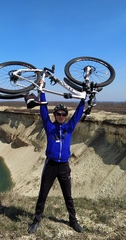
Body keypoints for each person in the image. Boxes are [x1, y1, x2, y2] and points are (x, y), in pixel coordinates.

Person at [27, 90, 85, 234]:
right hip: (51, 165)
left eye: (63, 114)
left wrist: (83, 100)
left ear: (66, 116)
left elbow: (78, 114)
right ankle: (36, 221)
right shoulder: (49, 127)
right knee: (43, 195)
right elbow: (43, 110)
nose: (61, 116)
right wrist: (42, 93)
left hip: (64, 166)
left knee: (68, 196)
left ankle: (73, 221)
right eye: (58, 114)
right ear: (55, 115)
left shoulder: (69, 127)